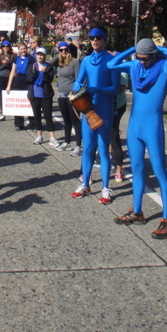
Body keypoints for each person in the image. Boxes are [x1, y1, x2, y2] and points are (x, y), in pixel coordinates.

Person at [108, 39, 167, 239]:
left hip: (152, 126)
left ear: (154, 55)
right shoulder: (135, 66)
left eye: (145, 58)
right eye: (138, 58)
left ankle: (166, 219)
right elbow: (111, 65)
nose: (142, 62)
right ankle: (137, 212)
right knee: (137, 169)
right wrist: (132, 49)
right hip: (134, 126)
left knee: (159, 170)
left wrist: (155, 49)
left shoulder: (164, 67)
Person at [71, 27, 120, 205]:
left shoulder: (111, 61)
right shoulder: (86, 61)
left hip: (104, 109)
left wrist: (97, 89)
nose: (95, 40)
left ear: (105, 40)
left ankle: (106, 187)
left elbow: (115, 88)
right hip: (88, 109)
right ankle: (85, 183)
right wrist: (77, 85)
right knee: (88, 147)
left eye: (98, 38)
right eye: (92, 38)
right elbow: (80, 79)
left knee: (103, 149)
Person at [54, 42, 82, 153]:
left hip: (71, 95)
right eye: (61, 50)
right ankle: (66, 142)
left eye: (66, 49)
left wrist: (74, 95)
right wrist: (58, 55)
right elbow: (49, 64)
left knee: (75, 120)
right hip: (61, 94)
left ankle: (78, 145)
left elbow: (78, 79)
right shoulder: (59, 62)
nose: (64, 52)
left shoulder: (74, 62)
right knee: (66, 120)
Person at [27, 47, 58, 146]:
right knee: (37, 116)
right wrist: (35, 71)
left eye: (41, 55)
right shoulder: (32, 66)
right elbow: (29, 79)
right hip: (34, 95)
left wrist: (44, 72)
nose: (39, 56)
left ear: (44, 56)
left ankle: (52, 137)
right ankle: (39, 136)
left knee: (48, 116)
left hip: (45, 95)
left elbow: (49, 80)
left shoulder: (48, 66)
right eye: (38, 54)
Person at [6, 42, 33, 131]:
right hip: (18, 80)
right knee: (18, 103)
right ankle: (19, 123)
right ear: (19, 50)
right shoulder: (16, 59)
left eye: (24, 49)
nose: (23, 50)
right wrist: (9, 85)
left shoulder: (31, 58)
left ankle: (32, 122)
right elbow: (12, 72)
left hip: (27, 80)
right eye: (21, 49)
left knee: (29, 102)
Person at [0, 40, 15, 121]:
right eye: (4, 46)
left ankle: (13, 110)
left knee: (12, 93)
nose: (6, 47)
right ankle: (3, 113)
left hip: (11, 76)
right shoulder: (0, 56)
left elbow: (14, 67)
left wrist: (8, 63)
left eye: (7, 46)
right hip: (2, 76)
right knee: (3, 94)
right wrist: (4, 64)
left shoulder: (13, 56)